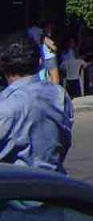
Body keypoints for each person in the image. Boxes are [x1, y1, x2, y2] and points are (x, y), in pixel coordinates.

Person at [0, 32, 73, 172]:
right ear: (40, 62)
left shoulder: (5, 106)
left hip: (15, 188)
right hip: (55, 183)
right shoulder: (59, 96)